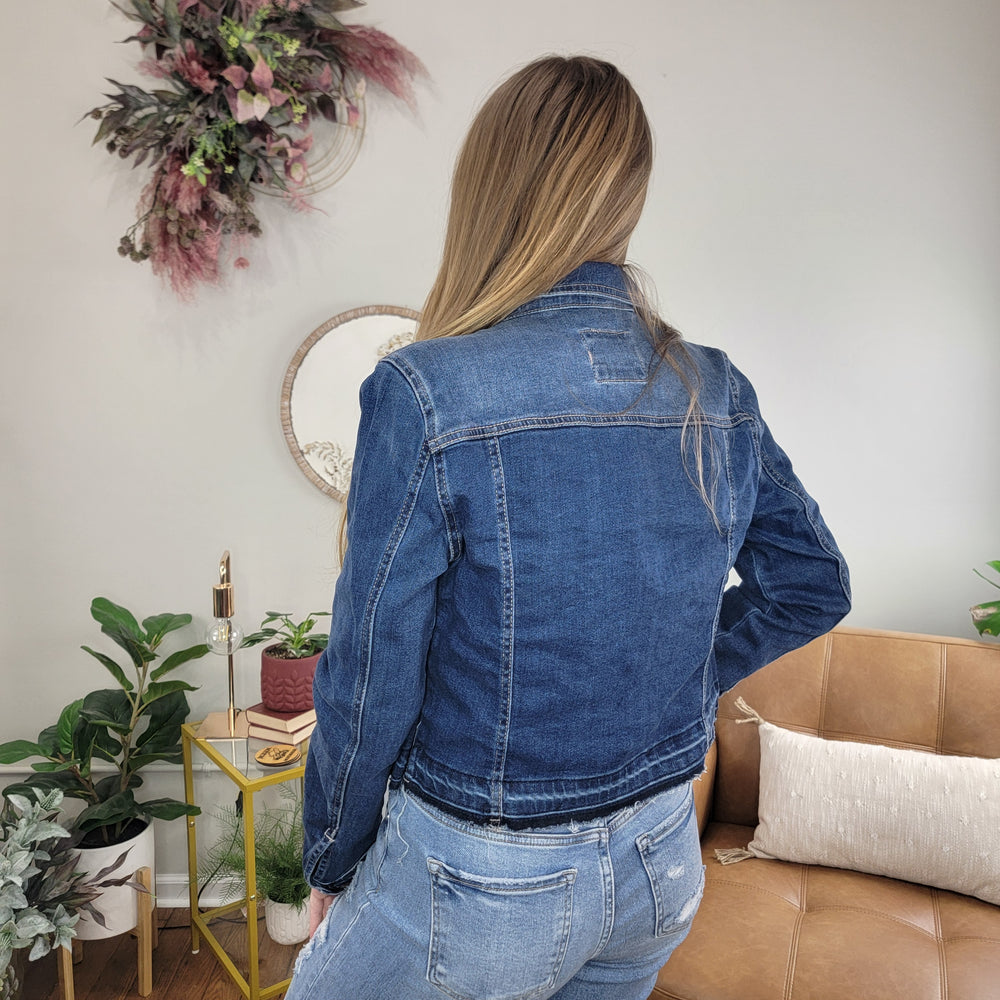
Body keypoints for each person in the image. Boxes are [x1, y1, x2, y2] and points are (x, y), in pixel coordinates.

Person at [285, 55, 850, 1000]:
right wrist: (687, 668)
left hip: (485, 879)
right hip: (660, 862)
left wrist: (332, 858)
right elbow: (814, 582)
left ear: (491, 189)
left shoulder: (426, 390)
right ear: (625, 194)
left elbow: (371, 669)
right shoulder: (714, 389)